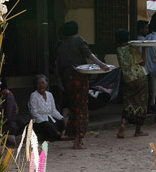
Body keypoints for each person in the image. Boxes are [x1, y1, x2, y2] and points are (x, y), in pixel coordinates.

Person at [54, 20, 106, 149]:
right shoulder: (78, 41)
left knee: (73, 107)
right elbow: (89, 54)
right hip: (78, 77)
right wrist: (101, 64)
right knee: (81, 108)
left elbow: (57, 66)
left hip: (67, 79)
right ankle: (78, 138)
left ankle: (70, 133)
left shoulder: (61, 45)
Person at [116, 28, 148, 138]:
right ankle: (138, 130)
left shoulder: (119, 50)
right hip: (139, 77)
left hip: (127, 79)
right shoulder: (132, 49)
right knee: (141, 105)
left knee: (128, 104)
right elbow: (143, 62)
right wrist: (144, 50)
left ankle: (123, 124)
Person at [27, 74, 66, 142]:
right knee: (47, 125)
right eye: (38, 84)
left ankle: (61, 134)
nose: (41, 85)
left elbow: (53, 111)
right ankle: (59, 136)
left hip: (50, 120)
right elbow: (34, 113)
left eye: (43, 83)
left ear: (46, 84)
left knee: (62, 121)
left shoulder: (49, 94)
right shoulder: (33, 95)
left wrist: (62, 118)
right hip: (39, 123)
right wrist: (44, 121)